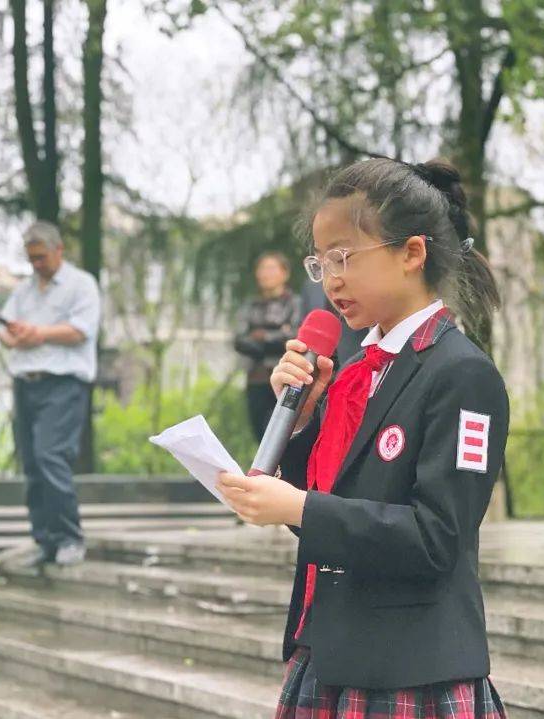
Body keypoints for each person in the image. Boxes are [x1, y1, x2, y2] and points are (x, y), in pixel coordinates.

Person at [217, 157, 510, 716]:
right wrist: (298, 425)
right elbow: (336, 498)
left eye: (346, 257)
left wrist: (302, 507)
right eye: (321, 261)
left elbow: (436, 538)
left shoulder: (460, 373)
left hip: (410, 670)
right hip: (331, 650)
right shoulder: (356, 368)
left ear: (412, 253)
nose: (331, 279)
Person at [0, 220, 100, 568]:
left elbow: (81, 331)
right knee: (31, 464)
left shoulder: (81, 284)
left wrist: (38, 333)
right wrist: (13, 335)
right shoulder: (25, 290)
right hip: (26, 383)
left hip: (63, 385)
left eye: (42, 257)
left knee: (50, 457)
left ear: (59, 250)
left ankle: (70, 537)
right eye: (31, 259)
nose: (37, 265)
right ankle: (45, 541)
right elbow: (6, 330)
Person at [234, 252, 304, 442]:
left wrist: (261, 335)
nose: (266, 274)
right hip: (256, 378)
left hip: (286, 377)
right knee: (260, 434)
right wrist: (277, 335)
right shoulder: (250, 305)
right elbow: (240, 341)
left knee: (285, 434)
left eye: (272, 268)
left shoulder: (295, 303)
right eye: (262, 269)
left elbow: (295, 337)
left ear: (285, 273)